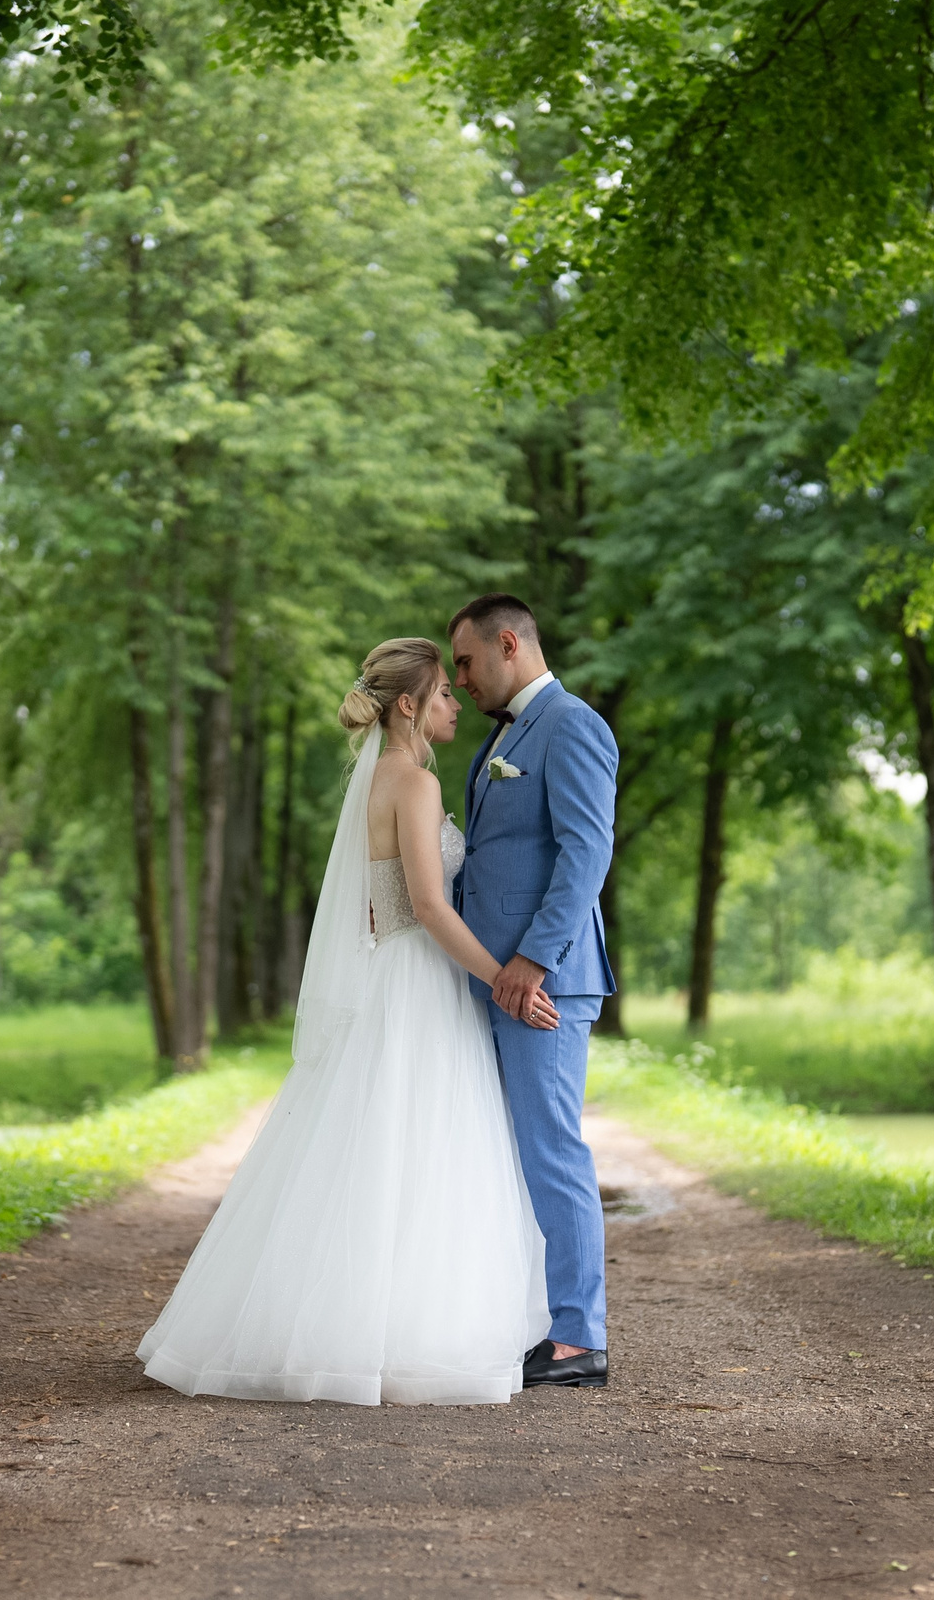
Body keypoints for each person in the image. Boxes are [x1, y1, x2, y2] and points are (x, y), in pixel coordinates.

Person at [136, 636, 556, 1404]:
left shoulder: (372, 781)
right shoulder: (416, 784)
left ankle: (340, 1329)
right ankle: (407, 1337)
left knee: (366, 1147)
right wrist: (503, 980)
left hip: (382, 970)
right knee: (424, 1148)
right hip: (417, 980)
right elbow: (428, 905)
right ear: (409, 705)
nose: (455, 702)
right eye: (442, 694)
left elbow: (380, 898)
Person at [449, 593, 619, 1390]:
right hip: (494, 978)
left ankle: (581, 1336)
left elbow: (586, 856)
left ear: (508, 644)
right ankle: (534, 1322)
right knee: (505, 1153)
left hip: (540, 984)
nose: (461, 679)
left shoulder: (573, 725)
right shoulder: (505, 738)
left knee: (553, 1151)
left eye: (466, 662)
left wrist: (532, 964)